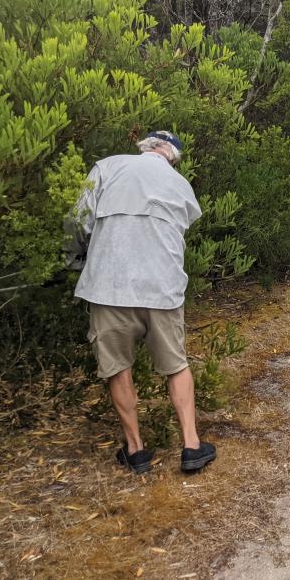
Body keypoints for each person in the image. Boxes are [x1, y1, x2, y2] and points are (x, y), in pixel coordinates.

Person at [65, 130, 216, 474]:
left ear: (143, 147)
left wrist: (76, 260)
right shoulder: (181, 185)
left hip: (108, 286)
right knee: (176, 364)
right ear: (173, 157)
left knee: (117, 368)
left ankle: (136, 452)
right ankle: (192, 446)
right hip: (161, 288)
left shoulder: (107, 167)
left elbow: (77, 221)